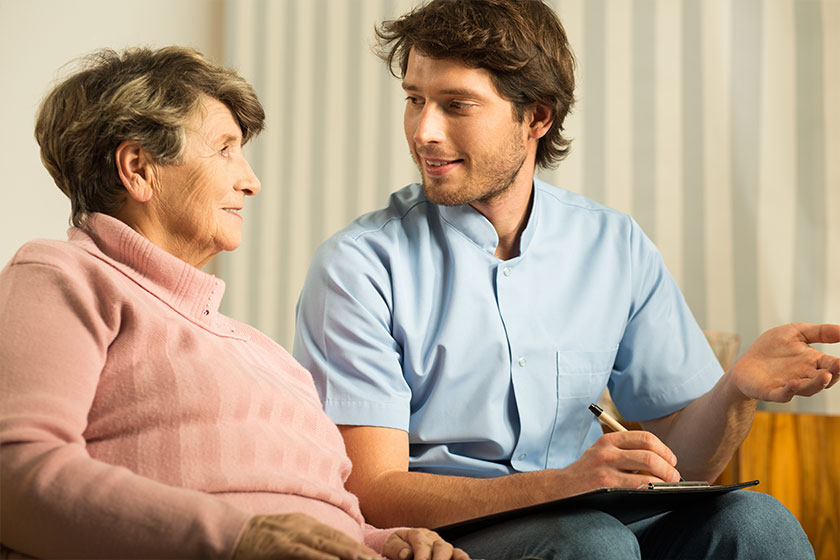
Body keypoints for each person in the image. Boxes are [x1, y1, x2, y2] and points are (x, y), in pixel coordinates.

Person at [292, 1, 840, 559]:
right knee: (590, 542)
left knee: (756, 521)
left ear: (537, 118)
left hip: (590, 519)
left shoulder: (613, 245)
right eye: (414, 100)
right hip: (448, 538)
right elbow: (373, 492)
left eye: (456, 105)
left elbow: (685, 463)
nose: (424, 131)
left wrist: (736, 389)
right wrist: (566, 484)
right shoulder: (358, 266)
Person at [0, 46, 470, 560]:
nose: (251, 180)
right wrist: (235, 539)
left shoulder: (266, 355)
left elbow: (311, 514)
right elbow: (16, 477)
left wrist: (385, 542)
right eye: (225, 148)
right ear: (138, 168)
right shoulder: (62, 275)